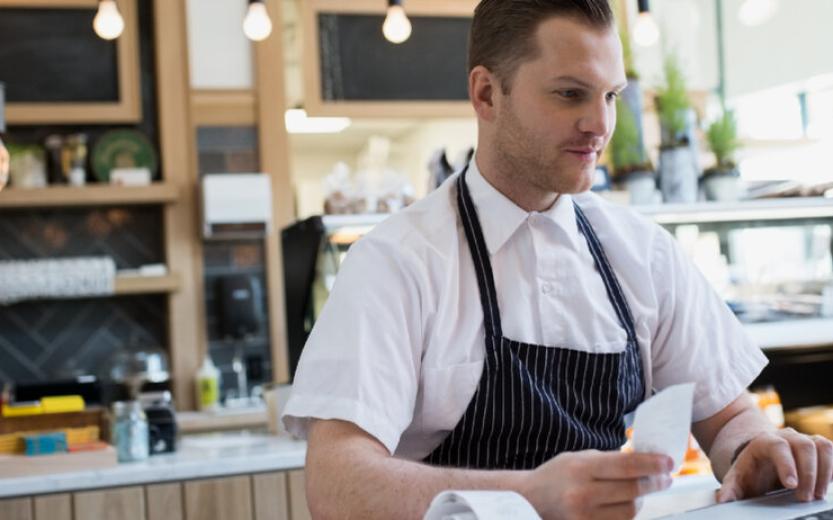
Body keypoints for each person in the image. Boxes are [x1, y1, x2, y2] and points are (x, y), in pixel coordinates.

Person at [282, 1, 833, 518]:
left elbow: (728, 414)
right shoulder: (397, 263)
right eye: (571, 94)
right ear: (486, 95)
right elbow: (336, 483)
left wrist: (756, 450)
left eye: (611, 96)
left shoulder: (643, 254)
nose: (600, 125)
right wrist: (526, 497)